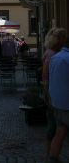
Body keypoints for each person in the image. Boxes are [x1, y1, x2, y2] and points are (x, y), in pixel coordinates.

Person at [42, 28, 67, 159]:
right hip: (54, 96)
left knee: (58, 127)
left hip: (54, 94)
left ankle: (51, 154)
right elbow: (45, 78)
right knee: (54, 127)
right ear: (59, 40)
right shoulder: (52, 55)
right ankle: (50, 154)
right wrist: (48, 97)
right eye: (64, 37)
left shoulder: (51, 52)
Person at [48, 32, 69, 162]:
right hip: (67, 102)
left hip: (56, 101)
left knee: (60, 131)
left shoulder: (55, 57)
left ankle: (53, 157)